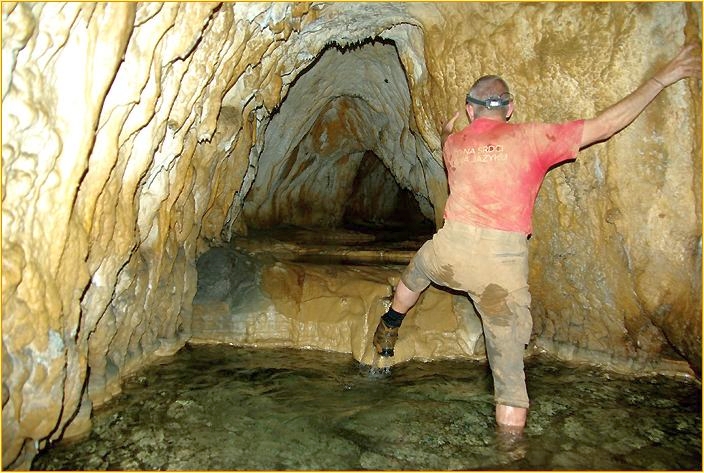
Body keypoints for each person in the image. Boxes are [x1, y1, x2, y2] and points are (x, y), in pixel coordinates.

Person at [372, 44, 701, 433]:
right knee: (510, 383)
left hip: (450, 251)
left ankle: (390, 324)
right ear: (509, 109)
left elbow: (448, 136)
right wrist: (661, 78)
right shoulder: (533, 138)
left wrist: (450, 126)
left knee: (417, 271)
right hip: (501, 267)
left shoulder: (455, 144)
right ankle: (511, 453)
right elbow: (605, 126)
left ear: (471, 110)